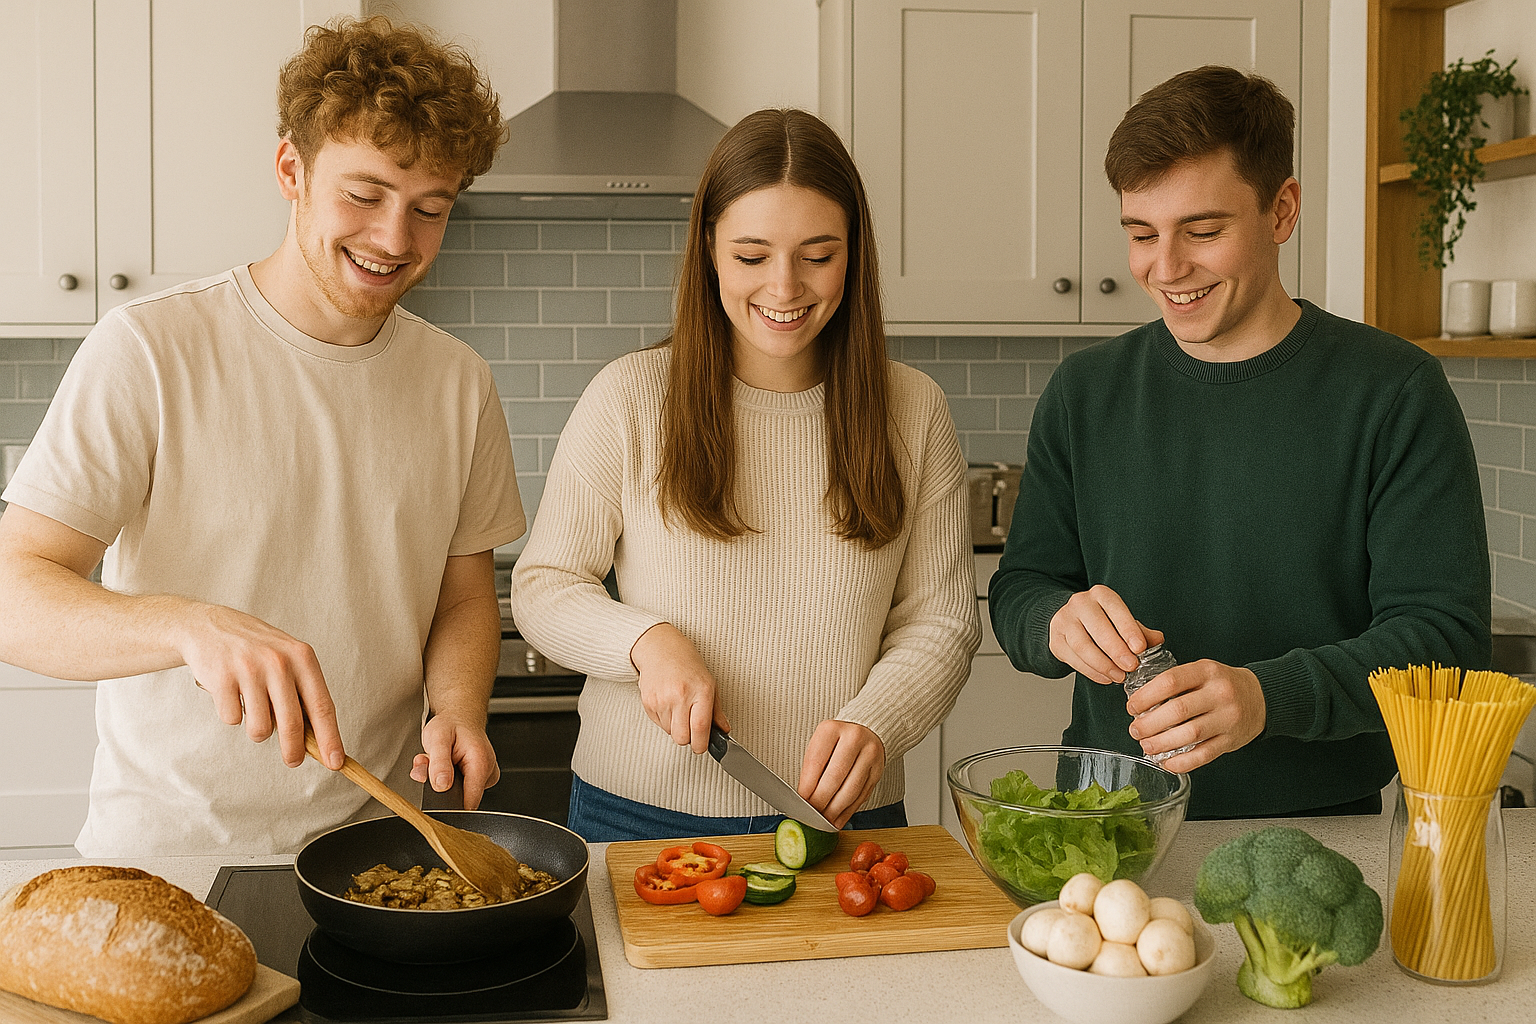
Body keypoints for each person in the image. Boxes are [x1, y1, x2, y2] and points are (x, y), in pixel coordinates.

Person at [0, 17, 525, 855]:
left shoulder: (458, 382)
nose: (396, 240)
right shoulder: (151, 348)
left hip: (371, 851)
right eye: (364, 195)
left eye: (430, 209)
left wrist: (456, 709)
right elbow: (14, 592)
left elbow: (462, 596)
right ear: (292, 169)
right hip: (171, 856)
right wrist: (188, 626)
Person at [989, 66, 1490, 819]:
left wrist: (1265, 698)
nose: (1165, 269)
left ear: (1282, 210)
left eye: (1203, 231)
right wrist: (1053, 623)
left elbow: (1445, 643)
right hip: (1109, 819)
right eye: (1141, 234)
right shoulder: (1085, 393)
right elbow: (1020, 588)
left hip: (1317, 828)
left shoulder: (1393, 391)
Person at [509, 108, 981, 842]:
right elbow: (543, 586)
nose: (785, 287)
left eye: (817, 255)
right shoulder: (630, 397)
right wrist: (646, 642)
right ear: (709, 251)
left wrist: (879, 721)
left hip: (848, 817)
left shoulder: (914, 412)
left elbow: (942, 622)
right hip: (636, 816)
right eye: (752, 255)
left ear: (854, 254)